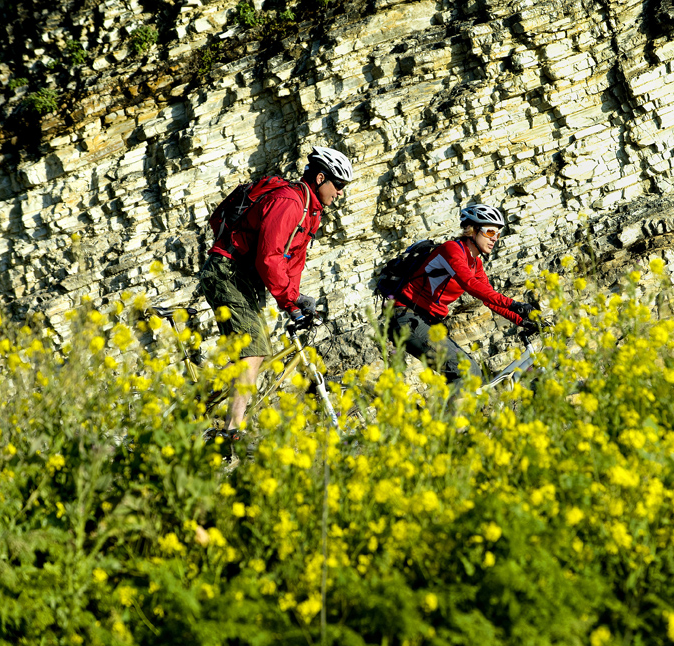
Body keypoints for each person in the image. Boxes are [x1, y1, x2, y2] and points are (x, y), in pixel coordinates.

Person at [199, 146, 354, 436]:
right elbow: (269, 257)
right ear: (321, 178)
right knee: (254, 350)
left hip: (244, 277)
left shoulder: (311, 212)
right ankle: (234, 429)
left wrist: (295, 300)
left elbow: (292, 262)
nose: (341, 193)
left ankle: (203, 402)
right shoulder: (289, 202)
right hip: (227, 271)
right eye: (339, 185)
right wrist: (288, 301)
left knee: (254, 349)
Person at [388, 203, 540, 391]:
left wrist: (522, 320)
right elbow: (469, 285)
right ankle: (446, 419)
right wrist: (516, 304)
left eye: (498, 235)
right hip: (407, 318)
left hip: (427, 322)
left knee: (474, 376)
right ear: (473, 230)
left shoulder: (475, 263)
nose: (495, 239)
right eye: (490, 233)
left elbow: (489, 299)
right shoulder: (451, 250)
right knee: (466, 373)